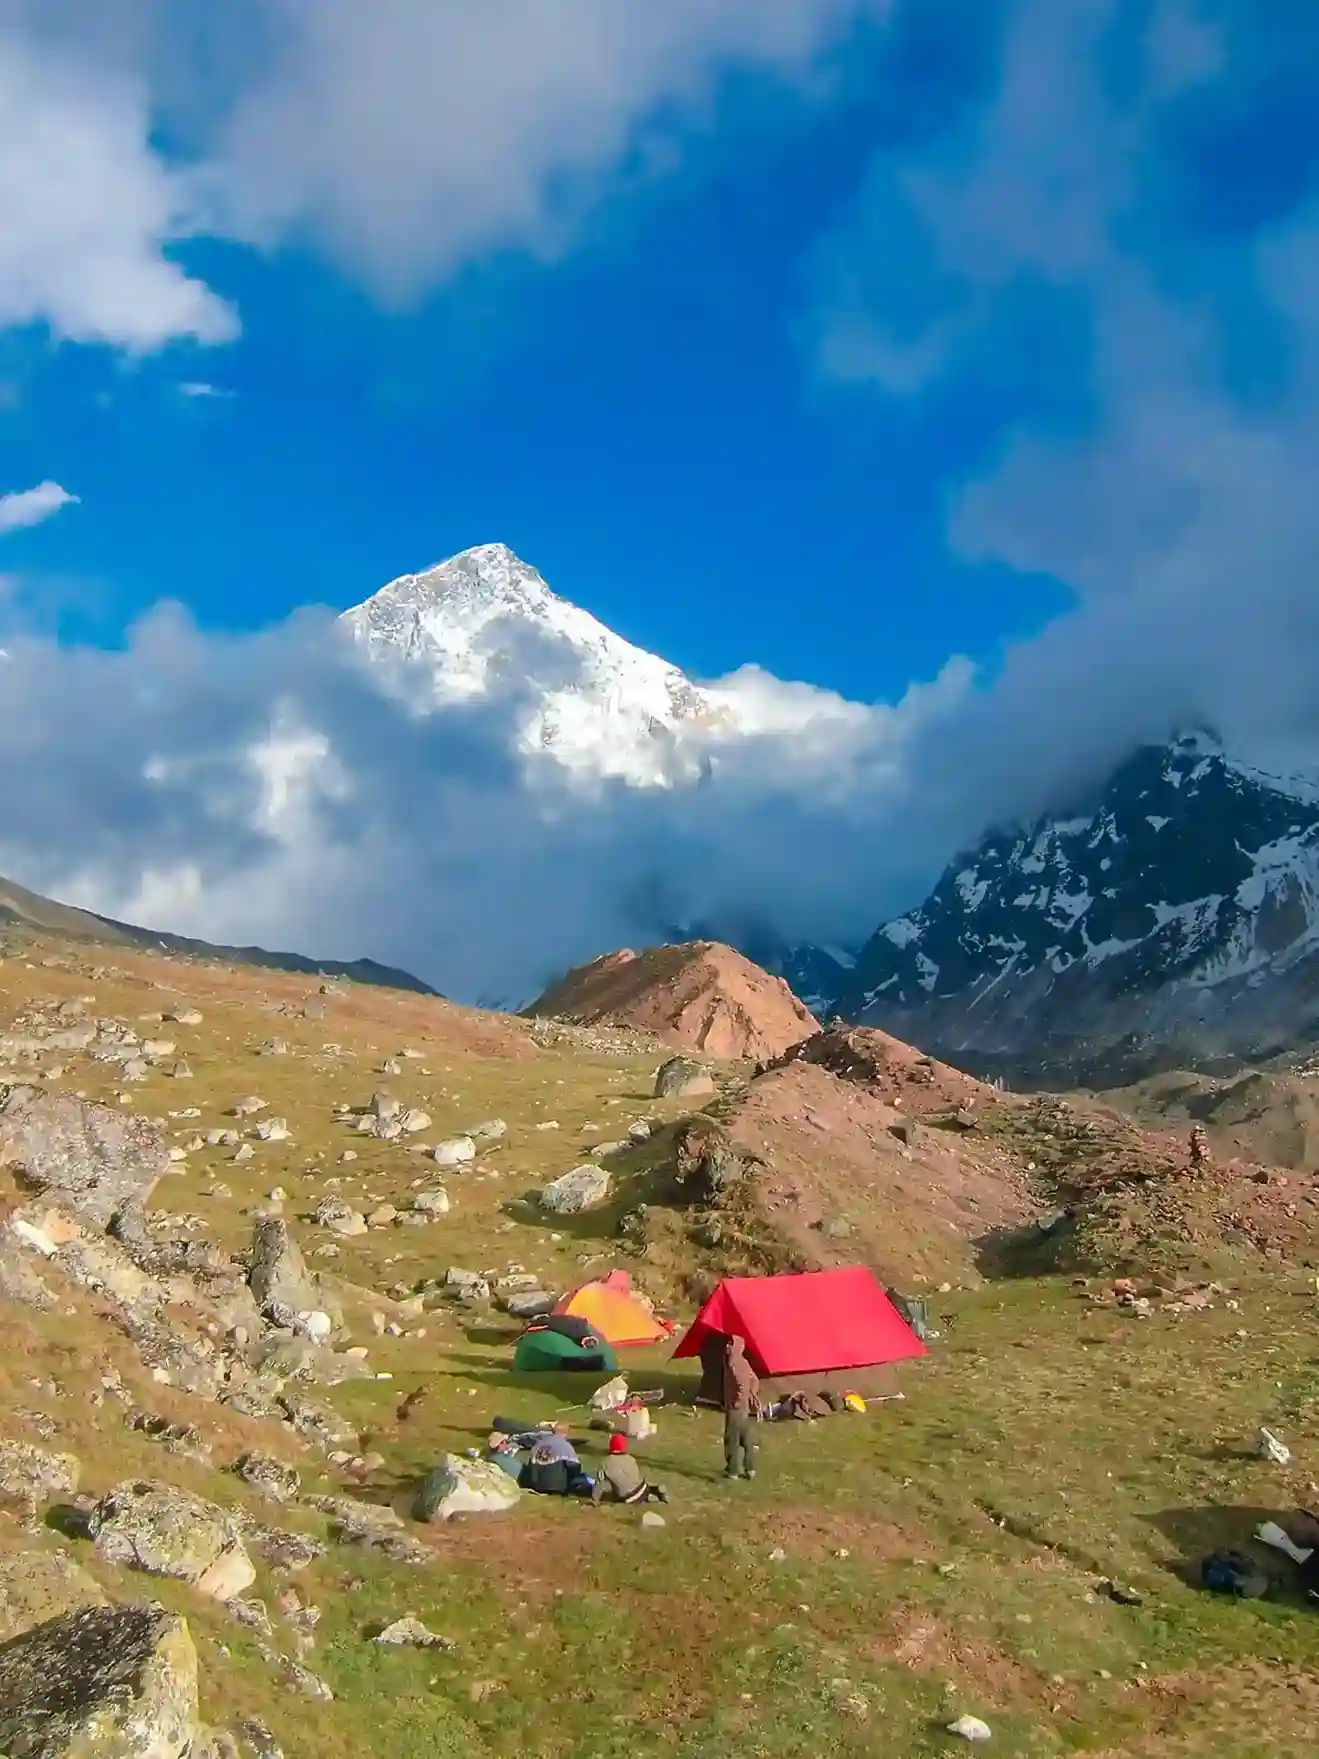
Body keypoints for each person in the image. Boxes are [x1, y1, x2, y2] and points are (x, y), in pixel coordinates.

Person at [591, 1433, 668, 1506]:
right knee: (639, 1488)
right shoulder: (631, 1458)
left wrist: (595, 1499)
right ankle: (653, 1491)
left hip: (629, 1497)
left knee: (613, 1491)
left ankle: (647, 1498)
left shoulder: (605, 1463)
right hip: (642, 1487)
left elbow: (599, 1484)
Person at [723, 1334, 760, 1481]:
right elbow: (754, 1379)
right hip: (744, 1409)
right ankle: (750, 1469)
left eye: (730, 1344)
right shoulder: (743, 1362)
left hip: (736, 1408)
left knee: (731, 1439)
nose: (727, 1347)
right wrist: (752, 1393)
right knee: (746, 1439)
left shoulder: (735, 1364)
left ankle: (733, 1471)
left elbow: (741, 1385)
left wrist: (739, 1399)